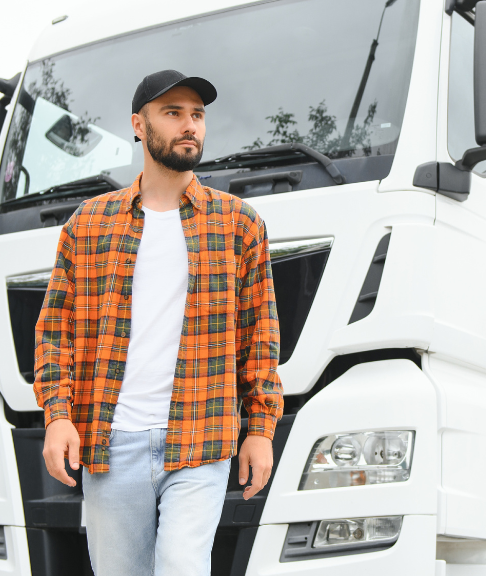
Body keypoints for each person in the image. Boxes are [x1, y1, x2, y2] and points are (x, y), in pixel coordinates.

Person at [33, 69, 283, 576]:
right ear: (138, 125)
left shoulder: (239, 224)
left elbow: (260, 336)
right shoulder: (89, 223)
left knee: (180, 567)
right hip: (111, 441)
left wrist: (260, 428)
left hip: (201, 437)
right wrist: (57, 415)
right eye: (173, 114)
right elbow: (55, 331)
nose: (189, 125)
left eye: (197, 114)